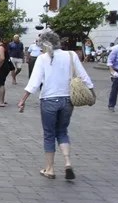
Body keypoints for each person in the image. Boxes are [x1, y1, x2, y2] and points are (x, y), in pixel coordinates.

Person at [17, 31, 94, 180]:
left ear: (44, 44)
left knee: (49, 135)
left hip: (49, 100)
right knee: (62, 131)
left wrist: (23, 100)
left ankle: (50, 169)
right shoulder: (71, 55)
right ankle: (67, 161)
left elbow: (34, 82)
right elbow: (84, 76)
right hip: (67, 100)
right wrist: (92, 93)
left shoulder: (42, 59)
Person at [0, 38, 15, 107]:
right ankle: (1, 100)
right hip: (5, 67)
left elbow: (2, 58)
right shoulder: (3, 46)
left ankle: (1, 101)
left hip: (2, 68)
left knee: (1, 84)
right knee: (1, 83)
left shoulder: (0, 48)